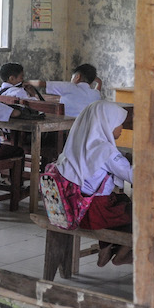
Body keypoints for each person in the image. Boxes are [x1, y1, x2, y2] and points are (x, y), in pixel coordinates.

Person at [54, 100, 134, 266]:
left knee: (122, 201)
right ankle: (121, 255)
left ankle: (106, 247)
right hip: (93, 213)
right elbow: (133, 176)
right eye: (119, 124)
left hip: (71, 209)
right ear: (107, 124)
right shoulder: (105, 150)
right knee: (141, 214)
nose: (122, 129)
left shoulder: (77, 142)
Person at [28, 63, 103, 118]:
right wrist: (99, 82)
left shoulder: (70, 87)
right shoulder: (95, 94)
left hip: (67, 127)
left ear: (77, 77)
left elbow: (42, 83)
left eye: (72, 77)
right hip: (87, 129)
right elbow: (98, 90)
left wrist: (26, 82)